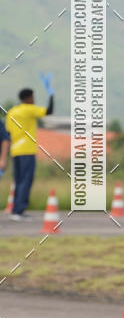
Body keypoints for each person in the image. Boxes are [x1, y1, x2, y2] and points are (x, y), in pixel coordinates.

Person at [6, 79, 54, 221]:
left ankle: (15, 210)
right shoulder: (29, 109)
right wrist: (51, 94)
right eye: (32, 97)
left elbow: (8, 132)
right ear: (28, 98)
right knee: (26, 181)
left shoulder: (12, 112)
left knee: (18, 181)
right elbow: (48, 111)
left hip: (15, 151)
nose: (33, 99)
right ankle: (19, 211)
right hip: (27, 150)